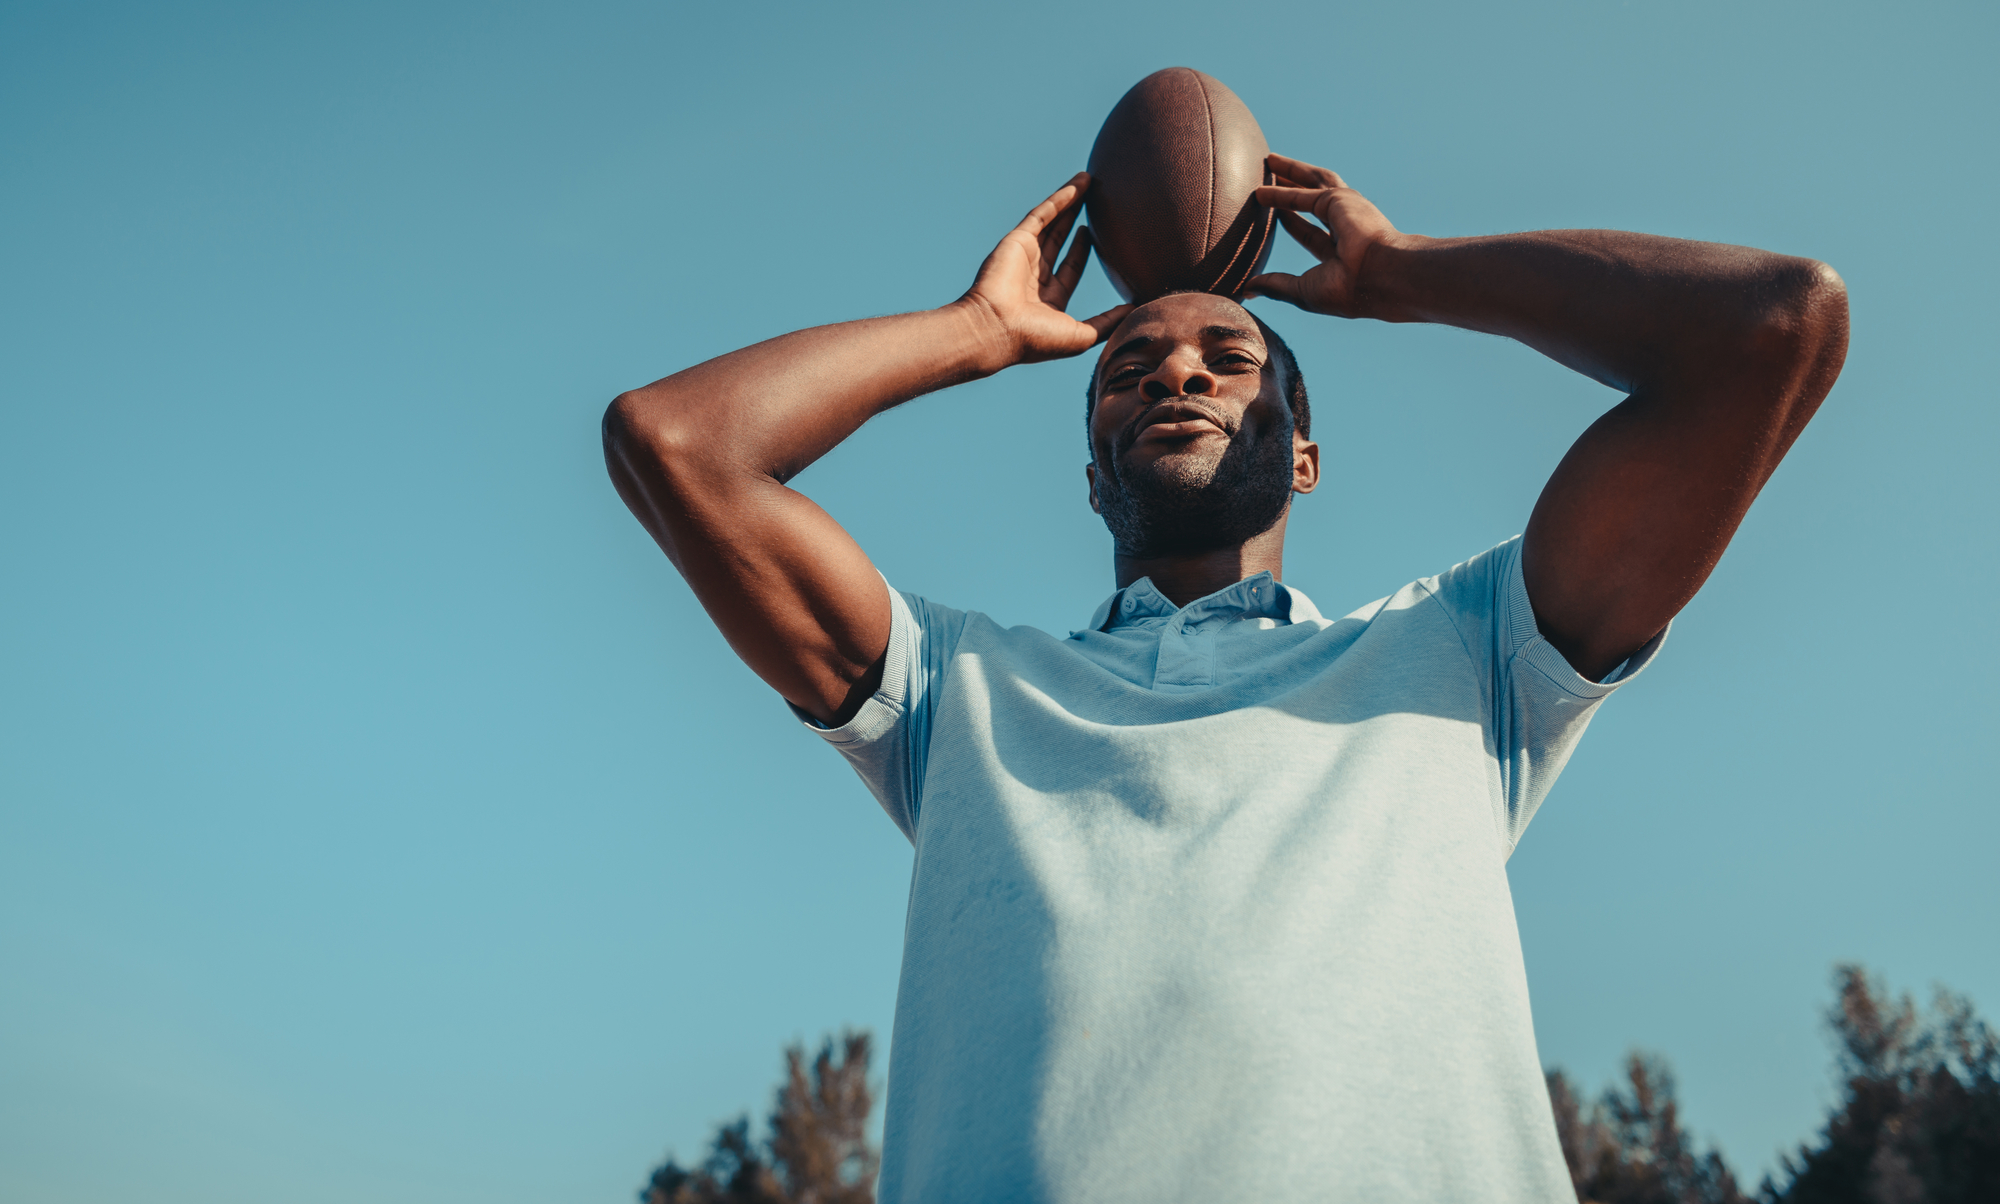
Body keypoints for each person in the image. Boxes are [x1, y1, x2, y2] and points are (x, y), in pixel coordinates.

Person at [601, 155, 1847, 1202]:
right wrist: (973, 331)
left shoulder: (1465, 652)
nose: (1175, 373)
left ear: (1301, 456)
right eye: (1125, 368)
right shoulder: (955, 693)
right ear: (1092, 473)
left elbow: (1771, 326)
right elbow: (677, 441)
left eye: (1226, 358)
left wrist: (1407, 272)